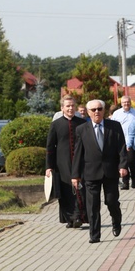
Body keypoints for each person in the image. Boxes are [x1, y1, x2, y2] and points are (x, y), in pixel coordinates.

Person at [71, 99, 128, 244]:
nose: (97, 112)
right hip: (91, 173)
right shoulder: (82, 130)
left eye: (99, 109)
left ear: (103, 110)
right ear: (89, 112)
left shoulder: (114, 126)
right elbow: (78, 153)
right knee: (92, 206)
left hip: (110, 171)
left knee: (111, 201)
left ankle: (116, 220)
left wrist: (122, 166)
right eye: (94, 110)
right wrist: (75, 175)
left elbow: (122, 148)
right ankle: (94, 235)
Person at [45, 94, 87, 228]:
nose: (70, 108)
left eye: (72, 106)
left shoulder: (83, 123)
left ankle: (78, 217)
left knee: (80, 190)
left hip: (80, 162)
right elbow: (50, 148)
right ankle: (70, 218)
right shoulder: (56, 125)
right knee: (65, 191)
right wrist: (48, 166)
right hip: (62, 163)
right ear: (62, 108)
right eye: (67, 106)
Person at [111, 95, 135, 190]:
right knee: (123, 162)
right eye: (124, 102)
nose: (126, 104)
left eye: (128, 102)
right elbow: (112, 127)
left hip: (131, 141)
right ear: (121, 104)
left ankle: (134, 179)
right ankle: (125, 183)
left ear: (130, 103)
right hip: (120, 142)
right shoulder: (116, 114)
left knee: (131, 161)